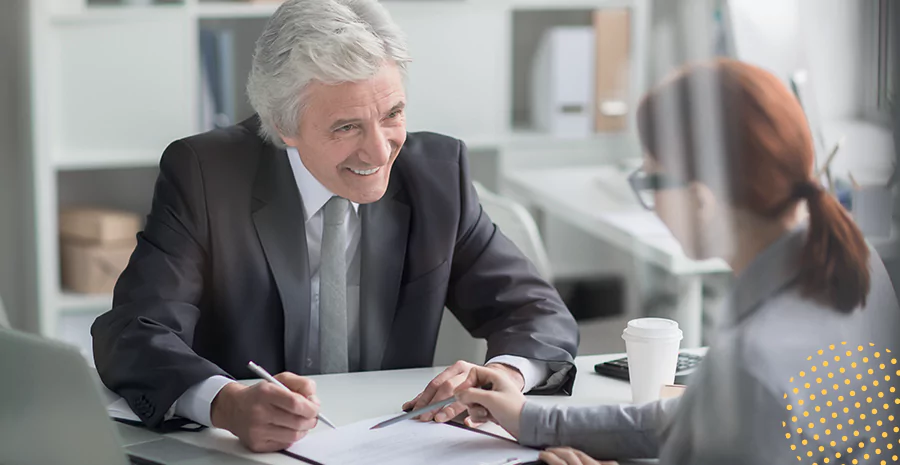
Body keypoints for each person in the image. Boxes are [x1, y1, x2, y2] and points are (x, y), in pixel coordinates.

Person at [91, 0, 579, 453]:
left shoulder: (436, 174)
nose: (380, 150)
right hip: (240, 453)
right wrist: (224, 402)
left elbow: (537, 313)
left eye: (393, 115)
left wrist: (504, 375)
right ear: (285, 124)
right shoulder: (205, 173)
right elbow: (133, 331)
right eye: (346, 127)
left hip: (390, 445)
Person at [451, 59, 900, 465]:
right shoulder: (856, 260)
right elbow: (704, 420)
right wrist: (533, 421)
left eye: (649, 180)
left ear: (701, 200)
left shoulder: (752, 362)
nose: (649, 200)